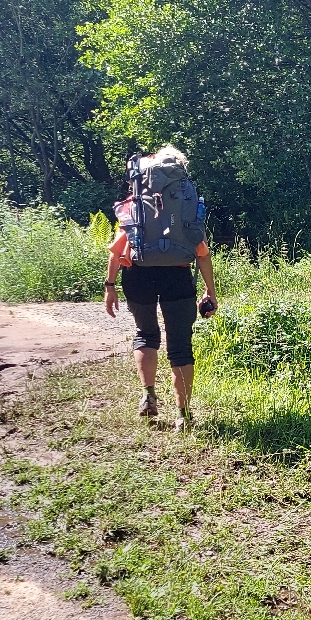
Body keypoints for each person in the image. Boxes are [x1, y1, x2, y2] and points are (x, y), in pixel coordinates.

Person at [101, 146, 217, 430]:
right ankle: (183, 415)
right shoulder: (184, 204)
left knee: (146, 333)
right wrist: (210, 291)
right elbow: (202, 252)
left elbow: (117, 251)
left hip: (137, 275)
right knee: (180, 344)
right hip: (176, 276)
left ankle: (149, 396)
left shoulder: (134, 204)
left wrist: (110, 285)